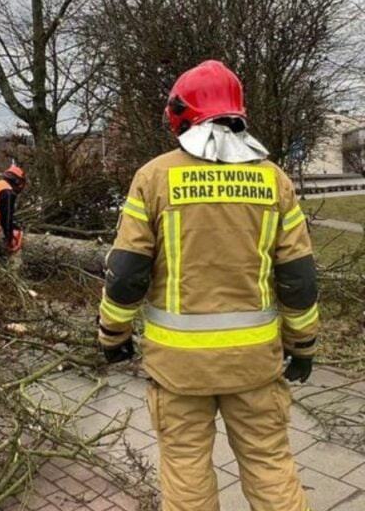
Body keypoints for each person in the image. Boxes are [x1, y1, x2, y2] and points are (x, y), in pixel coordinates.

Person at [97, 60, 318, 510]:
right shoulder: (274, 180)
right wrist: (303, 345)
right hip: (254, 364)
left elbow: (126, 273)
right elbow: (298, 278)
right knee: (270, 465)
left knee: (186, 471)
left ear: (181, 114)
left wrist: (112, 336)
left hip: (179, 368)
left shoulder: (155, 177)